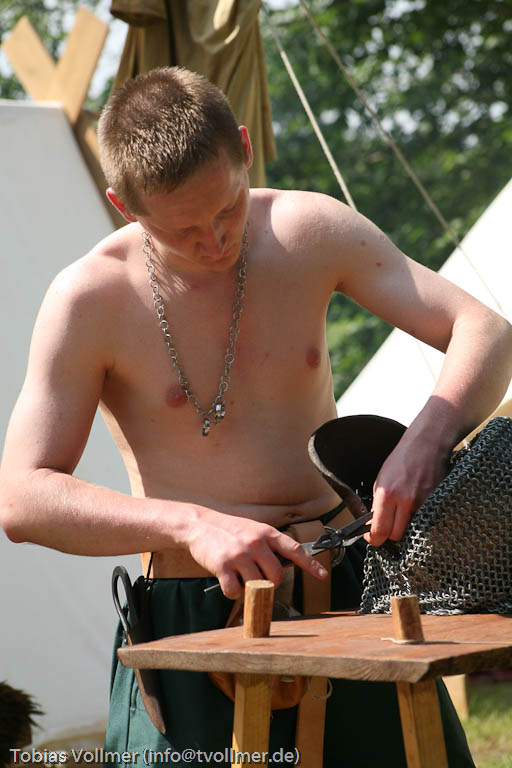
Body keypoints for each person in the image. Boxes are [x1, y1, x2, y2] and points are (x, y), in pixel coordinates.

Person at [1, 66, 510, 766]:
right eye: (184, 229)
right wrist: (193, 523)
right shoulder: (88, 299)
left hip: (353, 587)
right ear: (125, 206)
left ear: (243, 148)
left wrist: (426, 440)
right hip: (191, 610)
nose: (215, 240)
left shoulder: (311, 229)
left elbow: (484, 330)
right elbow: (21, 497)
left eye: (228, 207)